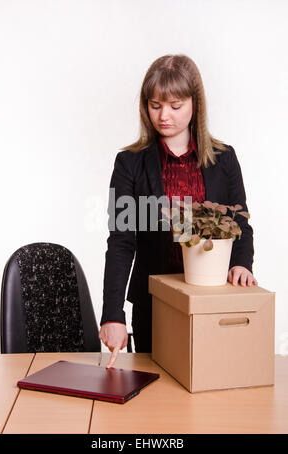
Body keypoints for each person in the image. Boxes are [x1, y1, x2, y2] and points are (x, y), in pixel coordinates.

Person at [99, 54, 257, 368]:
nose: (163, 116)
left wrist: (242, 263)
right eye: (155, 105)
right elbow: (121, 241)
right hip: (154, 305)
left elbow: (241, 223)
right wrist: (113, 314)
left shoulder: (224, 159)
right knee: (157, 399)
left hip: (212, 301)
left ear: (194, 104)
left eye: (175, 105)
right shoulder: (130, 163)